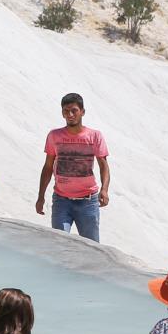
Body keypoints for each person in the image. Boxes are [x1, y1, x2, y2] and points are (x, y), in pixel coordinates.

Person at [37, 93, 110, 241]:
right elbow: (48, 167)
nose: (70, 114)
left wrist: (104, 189)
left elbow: (104, 165)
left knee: (91, 247)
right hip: (61, 200)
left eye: (74, 110)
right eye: (66, 111)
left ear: (82, 112)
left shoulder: (94, 136)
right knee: (59, 244)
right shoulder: (54, 136)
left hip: (88, 201)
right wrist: (40, 197)